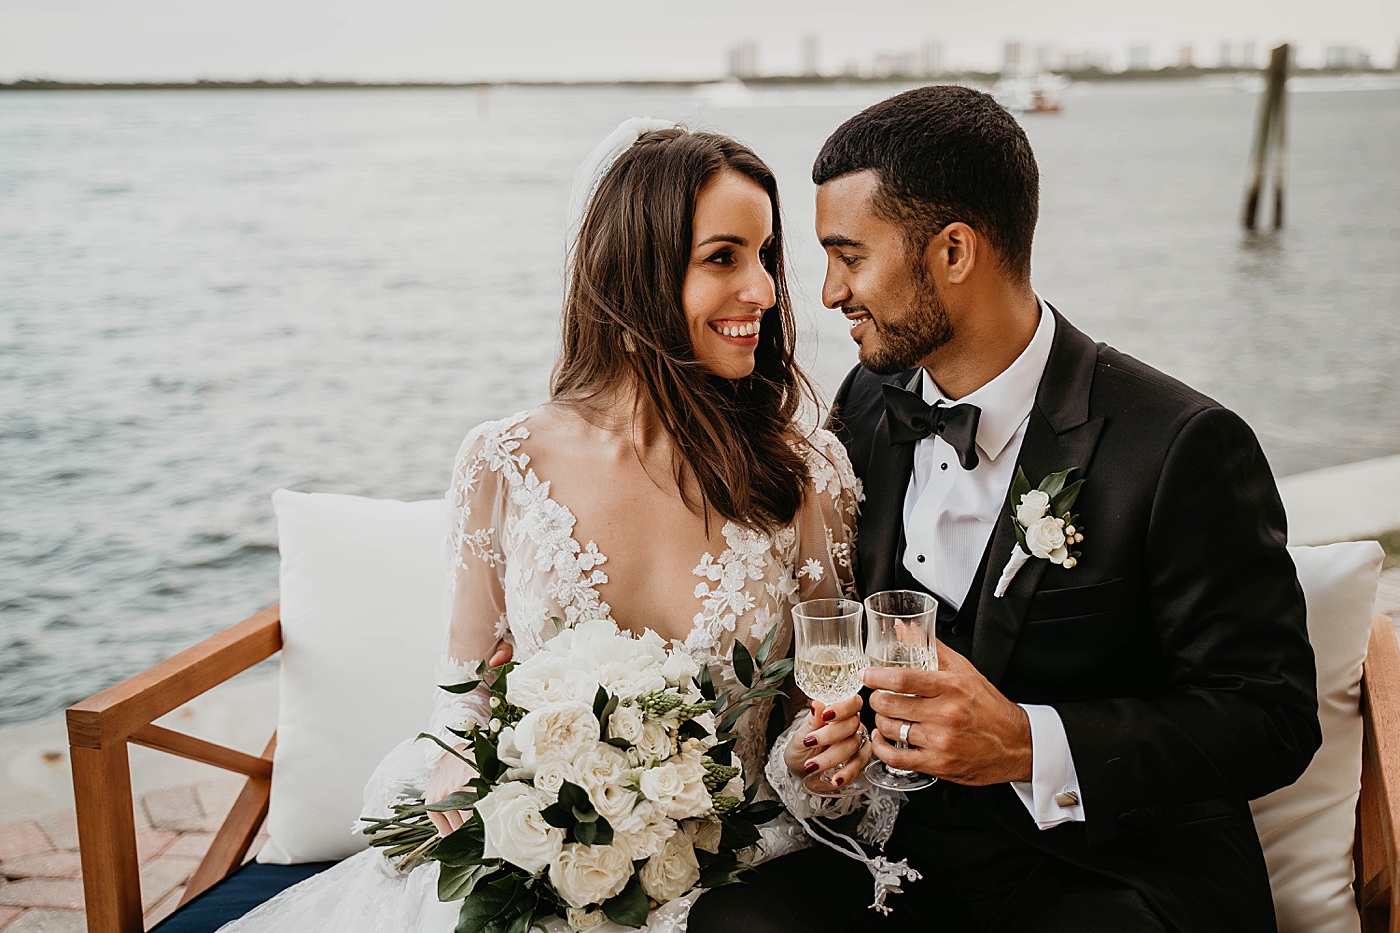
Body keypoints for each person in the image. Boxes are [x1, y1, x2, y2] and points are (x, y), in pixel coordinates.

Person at [689, 86, 1321, 933]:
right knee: (734, 924)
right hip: (907, 861)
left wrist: (1029, 741)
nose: (829, 291)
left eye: (850, 256)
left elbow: (1271, 718)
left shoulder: (1179, 445)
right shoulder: (870, 404)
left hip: (1110, 873)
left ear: (953, 250)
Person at [214, 121, 867, 933]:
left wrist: (817, 752)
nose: (766, 291)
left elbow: (821, 707)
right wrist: (462, 771)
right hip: (538, 863)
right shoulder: (503, 461)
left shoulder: (804, 473)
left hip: (732, 874)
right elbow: (464, 694)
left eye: (767, 256)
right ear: (638, 271)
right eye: (724, 257)